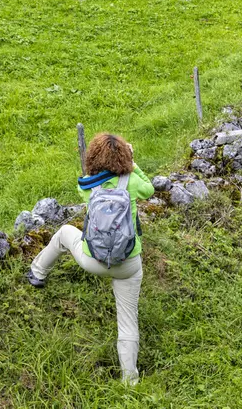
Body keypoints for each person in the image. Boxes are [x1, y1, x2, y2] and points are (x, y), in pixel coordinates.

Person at [27, 133, 154, 384]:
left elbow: (86, 178)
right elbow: (149, 189)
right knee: (128, 321)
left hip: (92, 259)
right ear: (124, 157)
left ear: (93, 157)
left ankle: (37, 272)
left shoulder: (87, 185)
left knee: (64, 233)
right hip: (128, 264)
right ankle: (130, 381)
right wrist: (134, 162)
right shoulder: (131, 183)